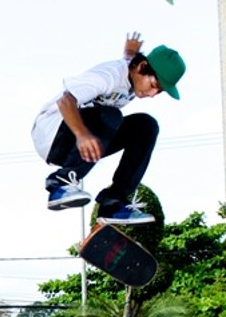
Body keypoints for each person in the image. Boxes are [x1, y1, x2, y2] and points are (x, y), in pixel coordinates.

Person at [31, 32, 186, 225]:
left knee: (146, 126)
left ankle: (113, 202)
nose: (153, 94)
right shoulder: (109, 75)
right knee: (111, 116)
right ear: (142, 67)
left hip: (80, 139)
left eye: (159, 91)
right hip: (54, 133)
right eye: (154, 85)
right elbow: (66, 101)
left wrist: (129, 52)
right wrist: (82, 134)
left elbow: (129, 61)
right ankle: (60, 183)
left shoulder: (133, 72)